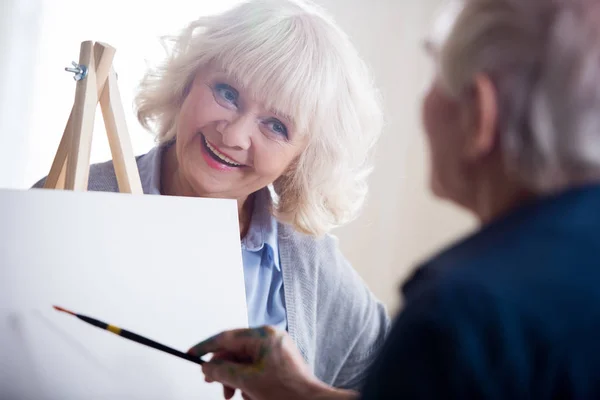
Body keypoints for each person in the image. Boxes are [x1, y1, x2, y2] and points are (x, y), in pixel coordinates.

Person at [187, 0, 600, 398]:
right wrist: (300, 392)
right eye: (226, 92)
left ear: (479, 112)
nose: (235, 135)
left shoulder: (463, 315)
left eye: (436, 77)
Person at [33, 0, 390, 393]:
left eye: (276, 126)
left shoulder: (307, 261)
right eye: (228, 92)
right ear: (188, 81)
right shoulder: (70, 198)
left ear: (302, 158)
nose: (234, 136)